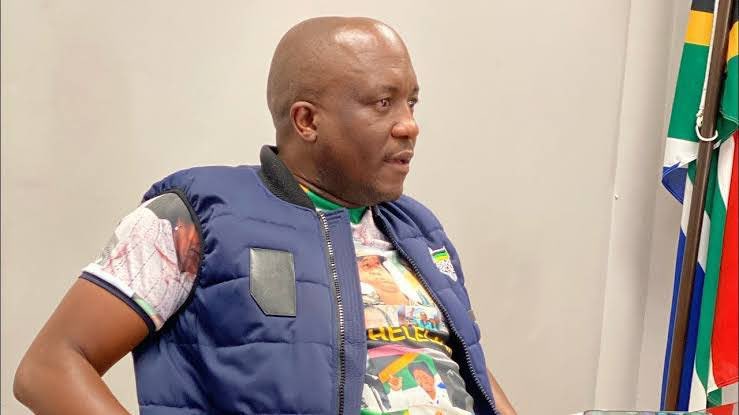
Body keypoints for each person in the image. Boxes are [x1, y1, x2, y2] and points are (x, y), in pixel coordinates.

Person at [13, 16, 517, 415]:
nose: (409, 125)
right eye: (383, 103)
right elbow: (49, 368)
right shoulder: (196, 215)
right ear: (307, 120)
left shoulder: (418, 231)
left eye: (411, 102)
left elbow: (464, 369)